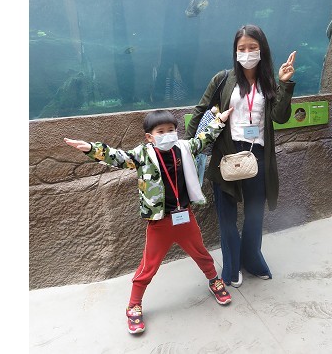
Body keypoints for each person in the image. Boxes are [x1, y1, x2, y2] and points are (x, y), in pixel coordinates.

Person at [64, 107, 234, 335]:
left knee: (201, 253)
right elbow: (118, 157)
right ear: (149, 136)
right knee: (148, 266)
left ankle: (214, 280)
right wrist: (91, 148)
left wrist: (220, 120)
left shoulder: (184, 148)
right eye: (160, 131)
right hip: (159, 223)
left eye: (171, 130)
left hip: (185, 216)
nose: (167, 134)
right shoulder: (142, 154)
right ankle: (133, 305)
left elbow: (204, 138)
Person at [185, 24, 296, 288]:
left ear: (262, 49)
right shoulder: (223, 79)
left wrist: (284, 83)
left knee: (255, 215)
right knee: (226, 217)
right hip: (227, 154)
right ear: (235, 51)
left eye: (252, 47)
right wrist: (189, 146)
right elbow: (200, 111)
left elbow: (280, 117)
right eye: (241, 48)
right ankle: (232, 267)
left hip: (258, 155)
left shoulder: (268, 82)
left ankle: (252, 260)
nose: (247, 53)